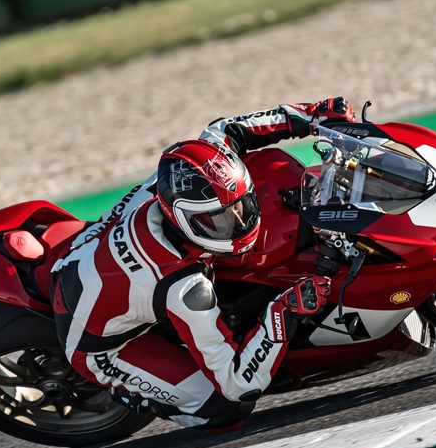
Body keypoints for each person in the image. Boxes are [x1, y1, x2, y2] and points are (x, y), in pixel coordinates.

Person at [50, 97, 357, 429]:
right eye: (219, 220)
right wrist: (283, 312)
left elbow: (226, 130)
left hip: (96, 254)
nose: (238, 222)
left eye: (241, 207)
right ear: (181, 219)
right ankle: (131, 392)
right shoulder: (183, 287)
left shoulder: (188, 175)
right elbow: (237, 385)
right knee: (226, 410)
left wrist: (314, 116)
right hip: (101, 343)